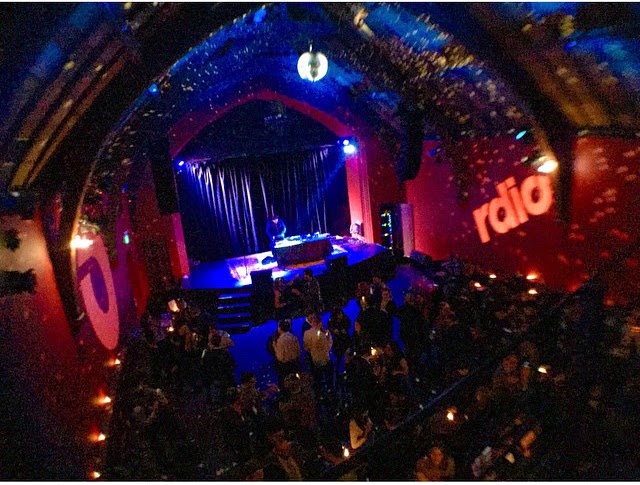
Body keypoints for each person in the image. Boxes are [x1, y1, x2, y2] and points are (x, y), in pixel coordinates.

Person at [303, 314, 334, 392]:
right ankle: (329, 390)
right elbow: (329, 344)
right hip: (323, 358)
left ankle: (321, 391)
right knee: (327, 377)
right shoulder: (325, 332)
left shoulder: (308, 333)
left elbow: (306, 347)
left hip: (317, 358)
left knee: (318, 378)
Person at [273, 319, 301, 387]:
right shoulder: (294, 337)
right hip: (295, 364)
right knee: (295, 382)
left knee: (287, 384)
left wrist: (275, 347)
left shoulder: (280, 340)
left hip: (285, 366)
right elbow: (298, 351)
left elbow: (280, 357)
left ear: (280, 328)